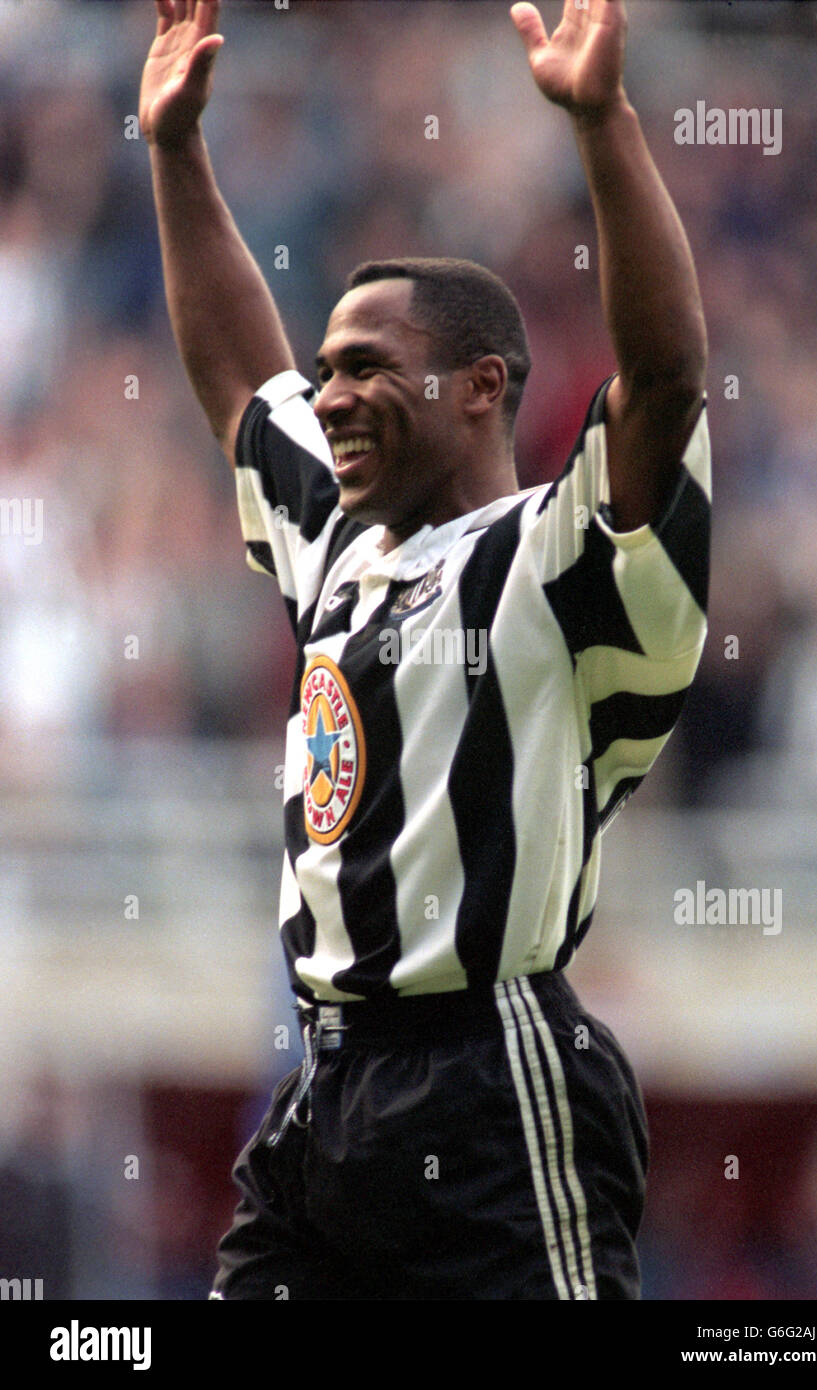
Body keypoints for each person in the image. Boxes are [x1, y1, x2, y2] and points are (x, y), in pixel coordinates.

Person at [141, 0, 710, 1300]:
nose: (327, 390)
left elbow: (667, 378)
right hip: (324, 1080)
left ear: (480, 386)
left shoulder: (557, 559)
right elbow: (240, 383)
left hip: (489, 1079)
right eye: (327, 367)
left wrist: (601, 124)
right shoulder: (337, 538)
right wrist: (176, 154)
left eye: (364, 365)